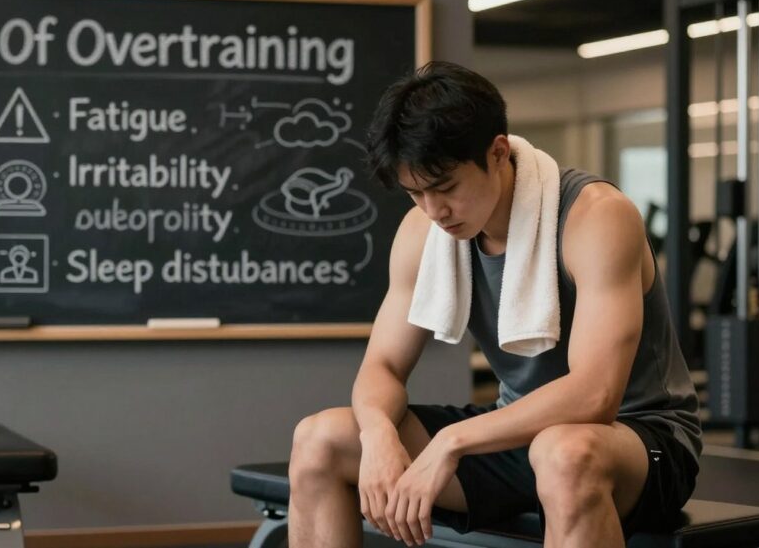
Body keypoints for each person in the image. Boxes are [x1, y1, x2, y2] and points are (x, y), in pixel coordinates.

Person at [288, 61, 701, 548]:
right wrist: (378, 435)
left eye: (445, 188)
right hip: (518, 438)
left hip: (634, 439)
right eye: (415, 193)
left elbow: (595, 396)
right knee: (320, 439)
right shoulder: (423, 233)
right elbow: (382, 365)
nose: (433, 211)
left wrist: (451, 442)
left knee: (564, 453)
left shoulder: (596, 217)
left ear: (498, 152)